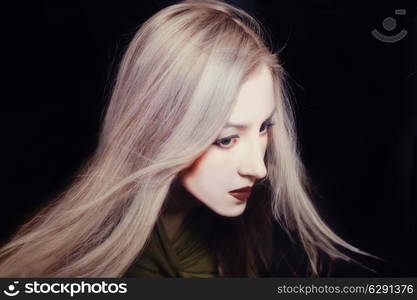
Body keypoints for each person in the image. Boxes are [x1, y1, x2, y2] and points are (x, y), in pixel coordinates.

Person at [0, 0, 375, 277]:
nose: (258, 168)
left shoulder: (252, 239)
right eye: (226, 139)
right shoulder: (83, 269)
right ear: (160, 129)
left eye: (263, 128)